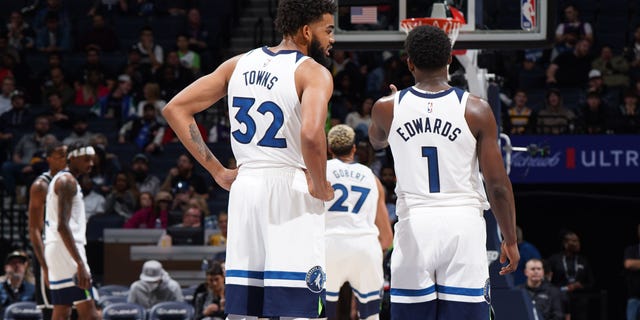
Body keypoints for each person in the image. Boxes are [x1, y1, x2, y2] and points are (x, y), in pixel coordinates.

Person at [161, 0, 337, 317]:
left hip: (246, 187)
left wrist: (216, 170)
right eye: (328, 30)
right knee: (299, 305)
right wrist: (322, 185)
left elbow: (175, 108)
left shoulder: (237, 64)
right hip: (290, 186)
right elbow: (311, 135)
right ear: (307, 31)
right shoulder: (314, 73)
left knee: (245, 306)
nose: (332, 39)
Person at [368, 25, 519, 319]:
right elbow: (498, 185)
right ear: (450, 59)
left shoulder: (386, 108)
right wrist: (510, 239)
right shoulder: (477, 109)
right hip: (462, 225)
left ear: (409, 62)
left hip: (415, 224)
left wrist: (389, 115)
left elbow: (376, 142)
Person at [324, 124, 393, 320]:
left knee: (321, 314)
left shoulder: (320, 172)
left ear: (329, 149)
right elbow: (387, 237)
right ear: (354, 148)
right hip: (365, 247)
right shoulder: (372, 178)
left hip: (329, 245)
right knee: (370, 316)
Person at [43, 141, 99, 320]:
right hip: (67, 250)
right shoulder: (67, 181)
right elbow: (63, 225)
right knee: (90, 314)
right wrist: (80, 264)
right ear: (72, 158)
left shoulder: (62, 178)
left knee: (62, 311)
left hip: (57, 248)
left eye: (92, 160)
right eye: (86, 159)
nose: (90, 164)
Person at [27, 141, 67, 317]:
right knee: (51, 310)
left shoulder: (70, 181)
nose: (65, 160)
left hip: (69, 251)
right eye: (61, 157)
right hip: (50, 252)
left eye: (67, 156)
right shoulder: (41, 186)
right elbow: (35, 229)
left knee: (74, 308)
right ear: (49, 159)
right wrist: (45, 267)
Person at [546, 230, 595, 320]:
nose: (577, 244)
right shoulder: (554, 260)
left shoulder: (583, 261)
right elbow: (547, 281)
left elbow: (591, 283)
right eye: (574, 241)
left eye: (578, 241)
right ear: (565, 243)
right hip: (559, 300)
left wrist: (580, 286)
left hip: (580, 302)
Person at [0, 250, 36, 316]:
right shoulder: (1, 288)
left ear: (25, 267)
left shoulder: (33, 290)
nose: (17, 265)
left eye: (20, 263)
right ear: (6, 268)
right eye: (13, 263)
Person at [624, 223, 640, 320]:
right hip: (634, 297)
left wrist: (636, 264)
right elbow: (628, 264)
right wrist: (633, 264)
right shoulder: (631, 249)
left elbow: (633, 264)